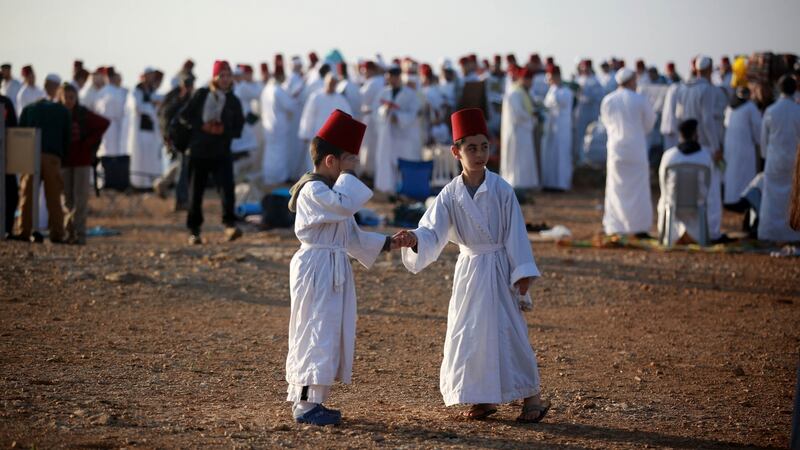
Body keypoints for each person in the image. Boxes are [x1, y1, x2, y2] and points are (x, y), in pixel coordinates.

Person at [395, 108, 550, 423]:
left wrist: (521, 273)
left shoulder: (502, 190)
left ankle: (530, 396)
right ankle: (479, 397)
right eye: (471, 148)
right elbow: (432, 231)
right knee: (469, 332)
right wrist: (414, 239)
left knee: (511, 331)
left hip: (500, 269)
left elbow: (516, 233)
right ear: (456, 151)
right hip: (470, 270)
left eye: (484, 147)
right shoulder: (449, 195)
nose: (479, 154)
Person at [285, 109, 400, 426]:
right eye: (349, 161)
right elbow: (343, 205)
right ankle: (306, 405)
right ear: (331, 160)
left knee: (327, 331)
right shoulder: (314, 190)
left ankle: (312, 399)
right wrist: (348, 176)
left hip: (330, 266)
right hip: (316, 267)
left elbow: (351, 237)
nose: (354, 169)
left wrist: (391, 242)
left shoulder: (331, 193)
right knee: (314, 329)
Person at [177, 60, 244, 244]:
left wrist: (223, 130)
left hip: (221, 151)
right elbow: (185, 116)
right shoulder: (202, 94)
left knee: (227, 190)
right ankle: (194, 231)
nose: (225, 79)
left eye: (228, 75)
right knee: (195, 193)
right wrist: (203, 126)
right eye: (221, 75)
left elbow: (239, 128)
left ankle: (229, 225)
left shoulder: (233, 101)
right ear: (215, 77)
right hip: (198, 152)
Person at [670, 56, 724, 241]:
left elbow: (677, 116)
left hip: (685, 143)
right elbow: (707, 120)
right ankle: (711, 231)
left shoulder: (682, 87)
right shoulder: (706, 89)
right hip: (704, 145)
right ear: (709, 70)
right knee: (711, 190)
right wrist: (716, 146)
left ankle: (689, 231)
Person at [600, 68, 657, 237]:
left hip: (616, 150)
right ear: (631, 81)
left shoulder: (608, 100)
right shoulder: (640, 100)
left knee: (615, 189)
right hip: (636, 149)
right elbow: (649, 124)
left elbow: (606, 124)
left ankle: (616, 227)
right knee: (638, 190)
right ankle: (638, 227)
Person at [14, 78, 71, 243]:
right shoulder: (62, 111)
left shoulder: (29, 109)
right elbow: (66, 138)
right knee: (53, 197)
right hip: (53, 157)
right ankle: (57, 234)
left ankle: (23, 231)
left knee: (27, 194)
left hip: (30, 156)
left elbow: (21, 134)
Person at [58, 83, 109, 245]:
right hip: (64, 162)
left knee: (80, 200)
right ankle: (69, 232)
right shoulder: (58, 114)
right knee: (67, 200)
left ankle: (80, 235)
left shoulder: (82, 114)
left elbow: (104, 123)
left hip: (81, 162)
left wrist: (88, 143)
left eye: (71, 97)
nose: (68, 101)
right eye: (66, 97)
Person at [657, 119, 716, 244]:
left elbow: (663, 183)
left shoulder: (669, 156)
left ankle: (667, 236)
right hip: (698, 204)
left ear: (680, 135)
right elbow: (709, 184)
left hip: (673, 204)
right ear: (695, 134)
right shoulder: (705, 157)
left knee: (664, 198)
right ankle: (705, 235)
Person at [758, 75, 800, 242]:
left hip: (774, 160)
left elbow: (763, 140)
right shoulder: (797, 110)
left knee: (771, 199)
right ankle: (793, 233)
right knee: (793, 197)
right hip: (793, 161)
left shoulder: (771, 110)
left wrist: (765, 158)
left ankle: (769, 233)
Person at [373, 65, 421, 194]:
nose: (391, 81)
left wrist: (399, 118)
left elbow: (413, 113)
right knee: (387, 162)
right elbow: (375, 111)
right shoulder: (383, 93)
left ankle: (404, 190)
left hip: (404, 135)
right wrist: (384, 112)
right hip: (387, 134)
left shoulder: (410, 94)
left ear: (398, 77)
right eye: (389, 78)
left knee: (403, 162)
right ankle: (388, 189)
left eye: (393, 78)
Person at [153, 71, 195, 209]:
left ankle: (163, 184)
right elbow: (165, 118)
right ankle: (181, 200)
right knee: (183, 168)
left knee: (181, 166)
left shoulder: (190, 98)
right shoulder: (174, 99)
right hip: (176, 139)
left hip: (186, 139)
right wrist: (168, 138)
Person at [260, 61, 302, 184]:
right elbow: (290, 106)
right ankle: (280, 178)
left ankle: (269, 177)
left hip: (268, 126)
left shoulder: (266, 89)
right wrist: (296, 98)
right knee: (280, 154)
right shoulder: (277, 90)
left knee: (270, 153)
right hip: (278, 126)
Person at [122, 67, 163, 189]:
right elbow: (137, 107)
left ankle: (151, 183)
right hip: (140, 131)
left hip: (151, 130)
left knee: (151, 156)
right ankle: (139, 183)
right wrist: (151, 107)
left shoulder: (152, 91)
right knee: (140, 157)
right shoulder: (136, 91)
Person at [500, 67, 539, 190]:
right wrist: (531, 117)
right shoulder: (514, 93)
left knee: (524, 158)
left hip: (524, 129)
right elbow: (518, 113)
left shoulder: (523, 92)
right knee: (516, 159)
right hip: (517, 131)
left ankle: (525, 183)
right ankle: (516, 183)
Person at [723, 87, 762, 207]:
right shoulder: (750, 107)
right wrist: (759, 142)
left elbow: (725, 124)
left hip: (729, 146)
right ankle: (744, 201)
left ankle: (730, 200)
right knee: (745, 174)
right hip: (744, 146)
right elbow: (758, 128)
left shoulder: (729, 107)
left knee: (732, 174)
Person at [298, 72, 351, 159]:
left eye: (334, 83)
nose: (331, 85)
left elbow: (348, 117)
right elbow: (308, 116)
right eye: (330, 83)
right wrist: (305, 133)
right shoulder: (316, 97)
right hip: (316, 135)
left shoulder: (341, 100)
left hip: (334, 138)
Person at [540, 65, 574, 191]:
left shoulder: (565, 91)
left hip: (562, 130)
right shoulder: (551, 90)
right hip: (551, 128)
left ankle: (561, 184)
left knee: (561, 156)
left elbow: (558, 101)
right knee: (550, 156)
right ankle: (550, 183)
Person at [230, 64, 262, 174]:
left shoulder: (242, 86)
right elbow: (258, 93)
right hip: (237, 123)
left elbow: (257, 94)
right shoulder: (237, 86)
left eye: (239, 75)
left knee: (249, 150)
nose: (237, 77)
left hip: (246, 123)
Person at [573, 59, 604, 165]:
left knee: (593, 135)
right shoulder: (578, 79)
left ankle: (591, 158)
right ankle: (580, 158)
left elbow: (598, 97)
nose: (585, 69)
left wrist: (586, 95)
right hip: (580, 113)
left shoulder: (595, 80)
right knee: (579, 136)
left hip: (591, 112)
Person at [358, 61, 384, 178]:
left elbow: (361, 99)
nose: (364, 73)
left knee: (367, 147)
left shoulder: (372, 83)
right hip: (380, 119)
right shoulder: (382, 80)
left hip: (370, 117)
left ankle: (368, 172)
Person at [95, 67, 128, 162]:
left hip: (115, 124)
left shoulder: (119, 91)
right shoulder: (110, 91)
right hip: (111, 124)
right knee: (110, 150)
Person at [2, 94, 17, 237]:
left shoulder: (6, 102)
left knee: (11, 194)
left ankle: (8, 228)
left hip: (6, 157)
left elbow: (14, 128)